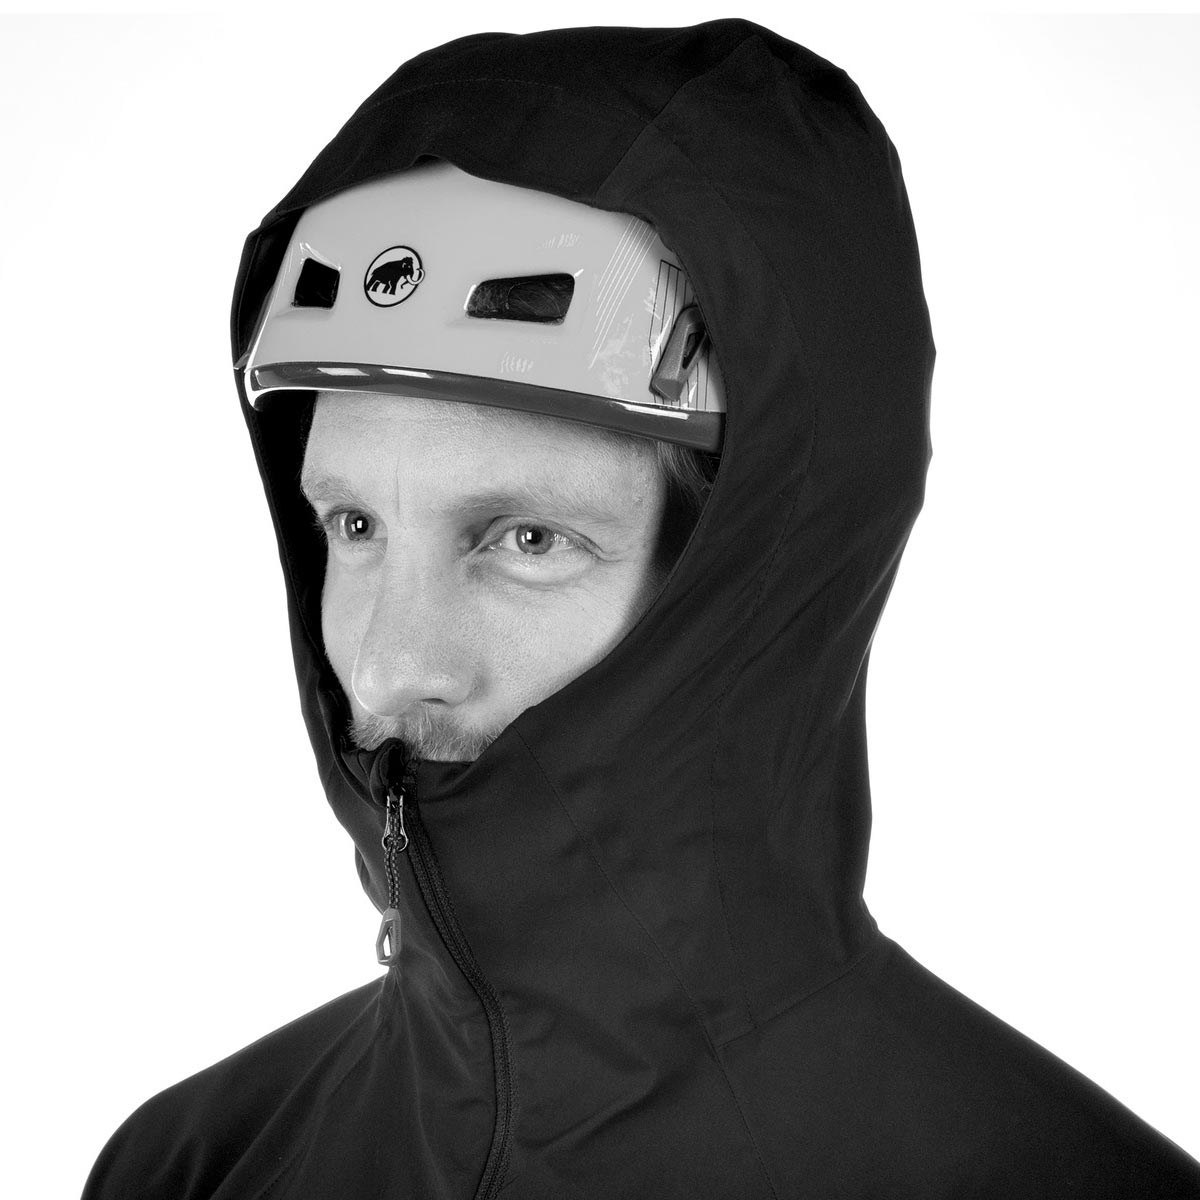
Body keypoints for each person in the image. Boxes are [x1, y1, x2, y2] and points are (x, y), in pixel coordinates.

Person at [83, 18, 1200, 1198]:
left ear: (748, 581)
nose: (388, 665)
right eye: (354, 527)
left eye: (525, 539)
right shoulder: (189, 1168)